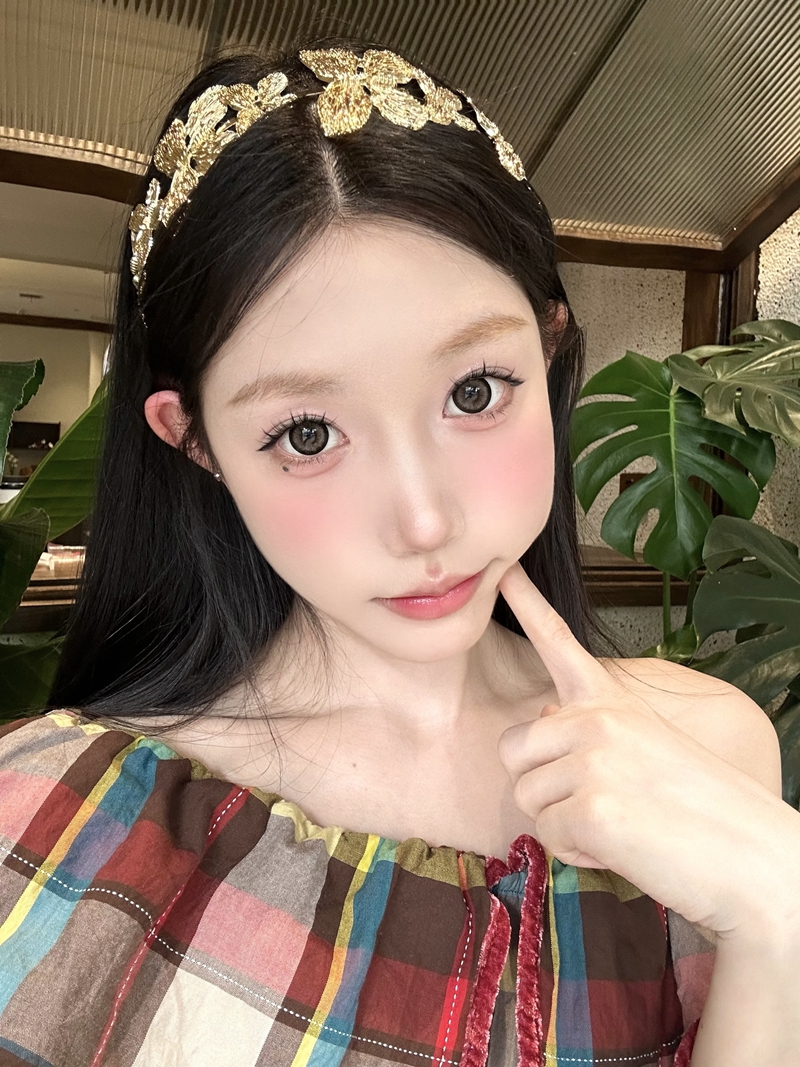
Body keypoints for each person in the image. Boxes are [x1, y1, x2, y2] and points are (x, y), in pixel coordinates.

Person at [1, 34, 798, 1067]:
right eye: (306, 433)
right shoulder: (51, 815)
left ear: (549, 347)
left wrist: (778, 908)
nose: (423, 522)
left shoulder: (707, 746)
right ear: (194, 443)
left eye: (475, 390)